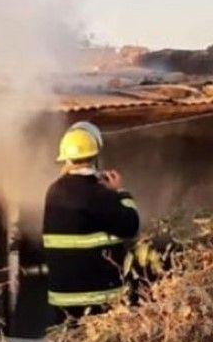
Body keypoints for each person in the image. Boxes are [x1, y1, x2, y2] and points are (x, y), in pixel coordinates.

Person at [43, 121, 140, 322]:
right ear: (95, 157)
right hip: (97, 302)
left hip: (62, 302)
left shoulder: (53, 192)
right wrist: (121, 192)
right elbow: (131, 225)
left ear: (66, 159)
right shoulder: (99, 195)